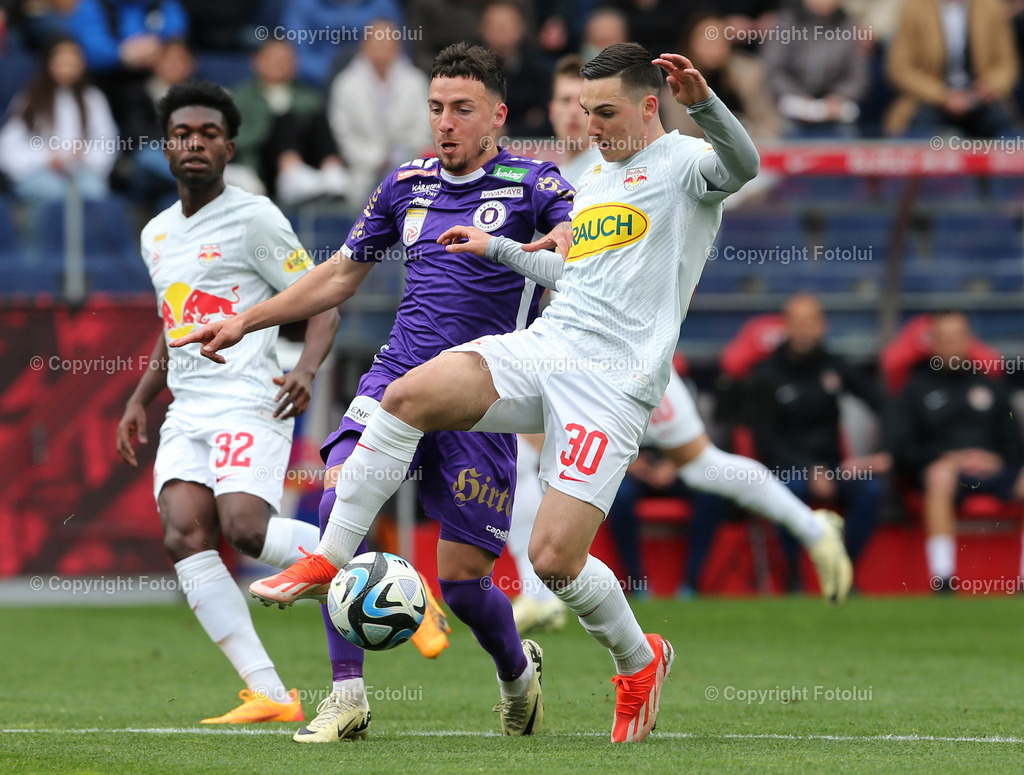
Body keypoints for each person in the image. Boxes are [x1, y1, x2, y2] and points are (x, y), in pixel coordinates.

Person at [180, 41, 759, 743]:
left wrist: (705, 106)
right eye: (584, 111)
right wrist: (504, 253)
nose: (591, 127)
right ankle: (332, 558)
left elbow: (742, 164)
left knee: (552, 560)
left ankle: (639, 660)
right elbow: (574, 280)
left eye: (605, 113)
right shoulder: (598, 175)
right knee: (405, 396)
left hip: (612, 383)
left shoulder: (684, 168)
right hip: (548, 347)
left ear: (648, 104)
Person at [179, 43, 575, 743]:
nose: (445, 123)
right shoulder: (406, 183)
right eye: (435, 108)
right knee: (340, 499)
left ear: (498, 116)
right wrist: (244, 319)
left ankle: (518, 671)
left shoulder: (530, 180)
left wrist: (558, 240)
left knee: (461, 584)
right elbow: (337, 274)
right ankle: (347, 695)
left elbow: (575, 240)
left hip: (483, 391)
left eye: (462, 109)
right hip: (397, 374)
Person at [508, 57, 850, 632]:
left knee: (699, 464)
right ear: (552, 109)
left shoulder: (631, 160)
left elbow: (732, 176)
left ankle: (816, 529)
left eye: (586, 104)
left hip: (627, 360)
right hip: (569, 351)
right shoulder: (553, 176)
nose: (576, 115)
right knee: (526, 450)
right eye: (567, 103)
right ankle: (537, 592)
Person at [114, 80, 340, 723]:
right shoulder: (156, 233)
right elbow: (173, 322)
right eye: (183, 134)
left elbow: (321, 295)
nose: (195, 143)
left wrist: (306, 367)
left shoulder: (255, 216)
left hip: (249, 395)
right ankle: (270, 692)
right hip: (187, 408)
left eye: (208, 135)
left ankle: (384, 576)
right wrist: (138, 398)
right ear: (166, 147)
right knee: (184, 534)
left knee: (245, 529)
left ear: (229, 147)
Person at [747, 294, 889, 590]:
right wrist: (809, 469)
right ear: (785, 327)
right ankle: (793, 576)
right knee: (790, 490)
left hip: (834, 467)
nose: (803, 330)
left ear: (822, 326)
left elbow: (887, 405)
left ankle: (842, 569)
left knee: (873, 489)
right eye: (796, 322)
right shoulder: (763, 374)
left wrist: (881, 454)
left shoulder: (835, 366)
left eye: (810, 322)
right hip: (785, 469)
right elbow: (764, 441)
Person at [888, 311, 1024, 592]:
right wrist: (946, 458)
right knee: (940, 476)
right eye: (944, 338)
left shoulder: (991, 386)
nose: (951, 344)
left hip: (991, 471)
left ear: (969, 341)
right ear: (933, 343)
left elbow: (1014, 445)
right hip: (943, 474)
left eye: (957, 337)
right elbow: (902, 448)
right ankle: (944, 577)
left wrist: (994, 459)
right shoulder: (916, 388)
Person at [0, 34, 117, 262]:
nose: (68, 66)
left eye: (73, 60)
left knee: (95, 192)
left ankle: (88, 263)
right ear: (49, 63)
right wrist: (46, 158)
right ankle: (37, 261)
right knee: (55, 194)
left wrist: (84, 155)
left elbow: (106, 140)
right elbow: (10, 143)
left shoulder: (92, 98)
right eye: (61, 60)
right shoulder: (31, 97)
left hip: (81, 171)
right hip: (41, 171)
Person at [228, 39, 349, 204]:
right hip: (261, 167)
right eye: (273, 58)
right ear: (256, 61)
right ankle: (292, 174)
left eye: (286, 59)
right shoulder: (242, 98)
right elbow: (238, 142)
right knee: (283, 119)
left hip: (309, 164)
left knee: (315, 117)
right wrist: (270, 125)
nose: (279, 64)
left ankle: (333, 172)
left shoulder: (309, 96)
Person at [328, 18, 432, 204]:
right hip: (362, 172)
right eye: (377, 43)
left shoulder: (415, 82)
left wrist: (402, 156)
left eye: (388, 43)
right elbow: (342, 134)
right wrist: (377, 158)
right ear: (364, 46)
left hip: (410, 169)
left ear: (398, 46)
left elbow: (424, 127)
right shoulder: (346, 84)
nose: (382, 49)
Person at [885, 0, 1018, 137]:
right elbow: (900, 68)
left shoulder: (991, 7)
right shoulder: (914, 7)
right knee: (919, 130)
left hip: (981, 99)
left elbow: (1006, 63)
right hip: (930, 99)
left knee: (1002, 126)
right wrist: (942, 96)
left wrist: (990, 86)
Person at [762, 0, 868, 138]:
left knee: (848, 136)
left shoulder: (849, 27)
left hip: (834, 111)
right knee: (780, 132)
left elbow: (857, 77)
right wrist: (795, 95)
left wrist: (839, 97)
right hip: (791, 108)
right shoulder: (786, 22)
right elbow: (774, 69)